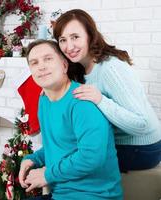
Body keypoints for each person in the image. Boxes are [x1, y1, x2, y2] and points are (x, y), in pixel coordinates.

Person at [53, 9, 161, 172]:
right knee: (64, 151)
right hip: (117, 142)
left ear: (90, 35)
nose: (69, 47)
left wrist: (101, 100)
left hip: (142, 147)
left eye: (75, 37)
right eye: (63, 40)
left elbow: (142, 125)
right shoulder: (80, 68)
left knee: (72, 159)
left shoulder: (110, 68)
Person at [19, 39, 122, 200]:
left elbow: (91, 157)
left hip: (93, 196)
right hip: (61, 194)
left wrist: (47, 174)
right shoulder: (44, 100)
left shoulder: (82, 102)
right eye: (34, 62)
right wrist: (32, 159)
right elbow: (60, 146)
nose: (41, 66)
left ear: (64, 65)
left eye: (48, 59)